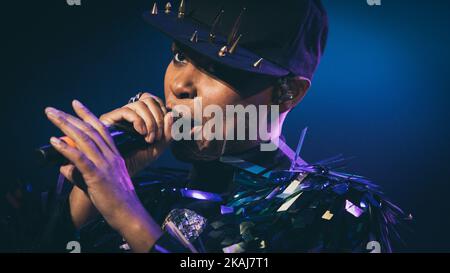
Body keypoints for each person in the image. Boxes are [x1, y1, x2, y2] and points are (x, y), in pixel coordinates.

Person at [38, 0, 409, 253]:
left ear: (288, 92)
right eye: (181, 56)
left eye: (217, 69)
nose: (180, 85)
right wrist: (89, 191)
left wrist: (127, 216)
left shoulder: (333, 211)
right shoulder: (149, 195)